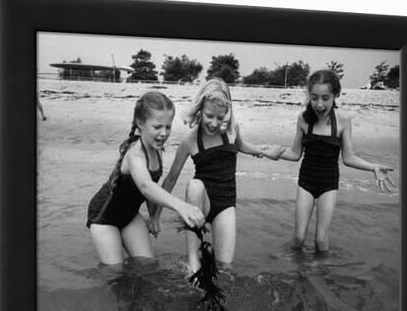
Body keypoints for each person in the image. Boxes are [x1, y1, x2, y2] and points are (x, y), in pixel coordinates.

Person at [151, 79, 283, 273]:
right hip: (201, 202)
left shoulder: (231, 130)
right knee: (195, 185)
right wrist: (155, 216)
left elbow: (241, 146)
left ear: (227, 114)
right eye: (209, 116)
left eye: (219, 118)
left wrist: (264, 152)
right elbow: (170, 180)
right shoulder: (190, 141)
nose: (213, 123)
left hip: (225, 203)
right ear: (200, 109)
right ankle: (193, 262)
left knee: (224, 268)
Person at [276, 69, 395, 252]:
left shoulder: (343, 120)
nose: (319, 104)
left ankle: (322, 277)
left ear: (335, 95)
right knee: (299, 238)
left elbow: (348, 158)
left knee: (321, 242)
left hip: (328, 184)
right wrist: (273, 152)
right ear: (309, 96)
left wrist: (373, 167)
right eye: (314, 98)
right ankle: (296, 275)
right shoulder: (303, 119)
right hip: (306, 182)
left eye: (325, 98)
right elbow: (294, 154)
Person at [87, 91, 205, 265]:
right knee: (115, 271)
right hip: (104, 217)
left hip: (129, 216)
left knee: (148, 265)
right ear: (140, 123)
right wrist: (181, 206)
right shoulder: (135, 155)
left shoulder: (156, 150)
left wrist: (153, 216)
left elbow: (152, 190)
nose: (164, 133)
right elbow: (146, 186)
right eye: (157, 127)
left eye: (168, 127)